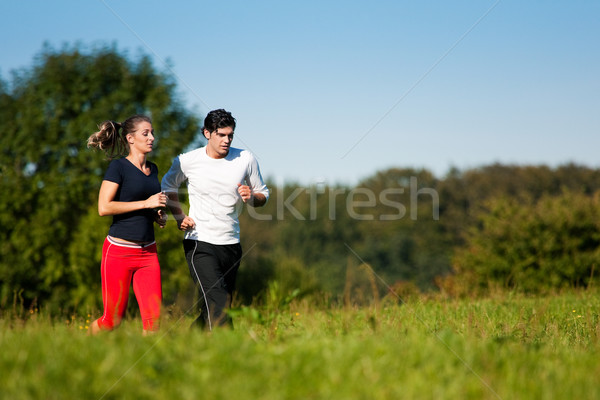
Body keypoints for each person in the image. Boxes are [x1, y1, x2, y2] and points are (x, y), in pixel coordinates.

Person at [161, 109, 269, 330]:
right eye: (221, 134)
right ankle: (229, 352)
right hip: (200, 242)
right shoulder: (188, 161)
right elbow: (168, 184)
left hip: (231, 244)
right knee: (219, 302)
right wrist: (179, 216)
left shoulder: (245, 158)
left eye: (230, 135)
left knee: (213, 307)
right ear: (207, 133)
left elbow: (262, 195)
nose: (227, 140)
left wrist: (252, 198)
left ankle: (190, 343)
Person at [86, 115, 168, 335]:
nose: (151, 138)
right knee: (112, 321)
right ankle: (84, 348)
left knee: (154, 324)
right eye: (146, 133)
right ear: (130, 138)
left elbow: (146, 206)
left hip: (148, 254)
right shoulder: (118, 167)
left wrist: (156, 214)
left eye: (152, 133)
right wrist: (146, 203)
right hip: (119, 252)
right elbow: (104, 207)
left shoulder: (153, 169)